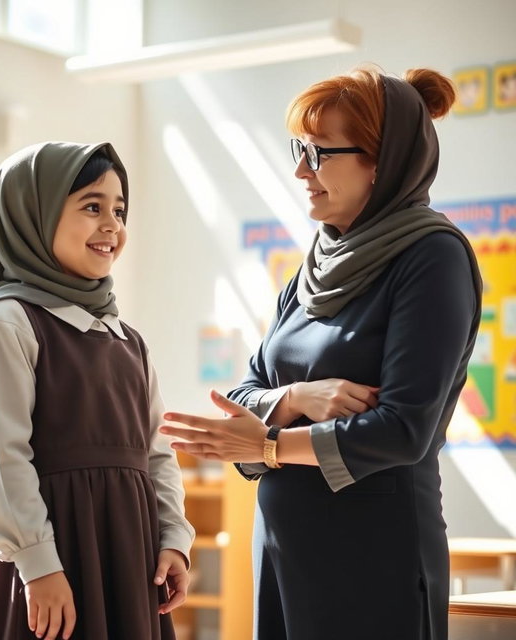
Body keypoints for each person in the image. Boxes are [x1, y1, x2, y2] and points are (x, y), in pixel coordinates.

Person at [159, 67, 482, 640]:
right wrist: (293, 398)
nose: (300, 170)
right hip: (284, 551)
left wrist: (267, 444)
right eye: (300, 150)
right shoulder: (315, 267)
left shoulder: (431, 258)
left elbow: (403, 428)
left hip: (374, 555)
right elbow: (245, 390)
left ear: (384, 163)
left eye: (320, 153)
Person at [0, 141, 194, 640]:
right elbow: (0, 456)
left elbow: (156, 453)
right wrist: (38, 564)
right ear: (34, 215)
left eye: (119, 210)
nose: (112, 226)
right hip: (47, 558)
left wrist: (174, 537)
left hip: (126, 554)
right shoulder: (10, 321)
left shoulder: (127, 339)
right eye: (92, 207)